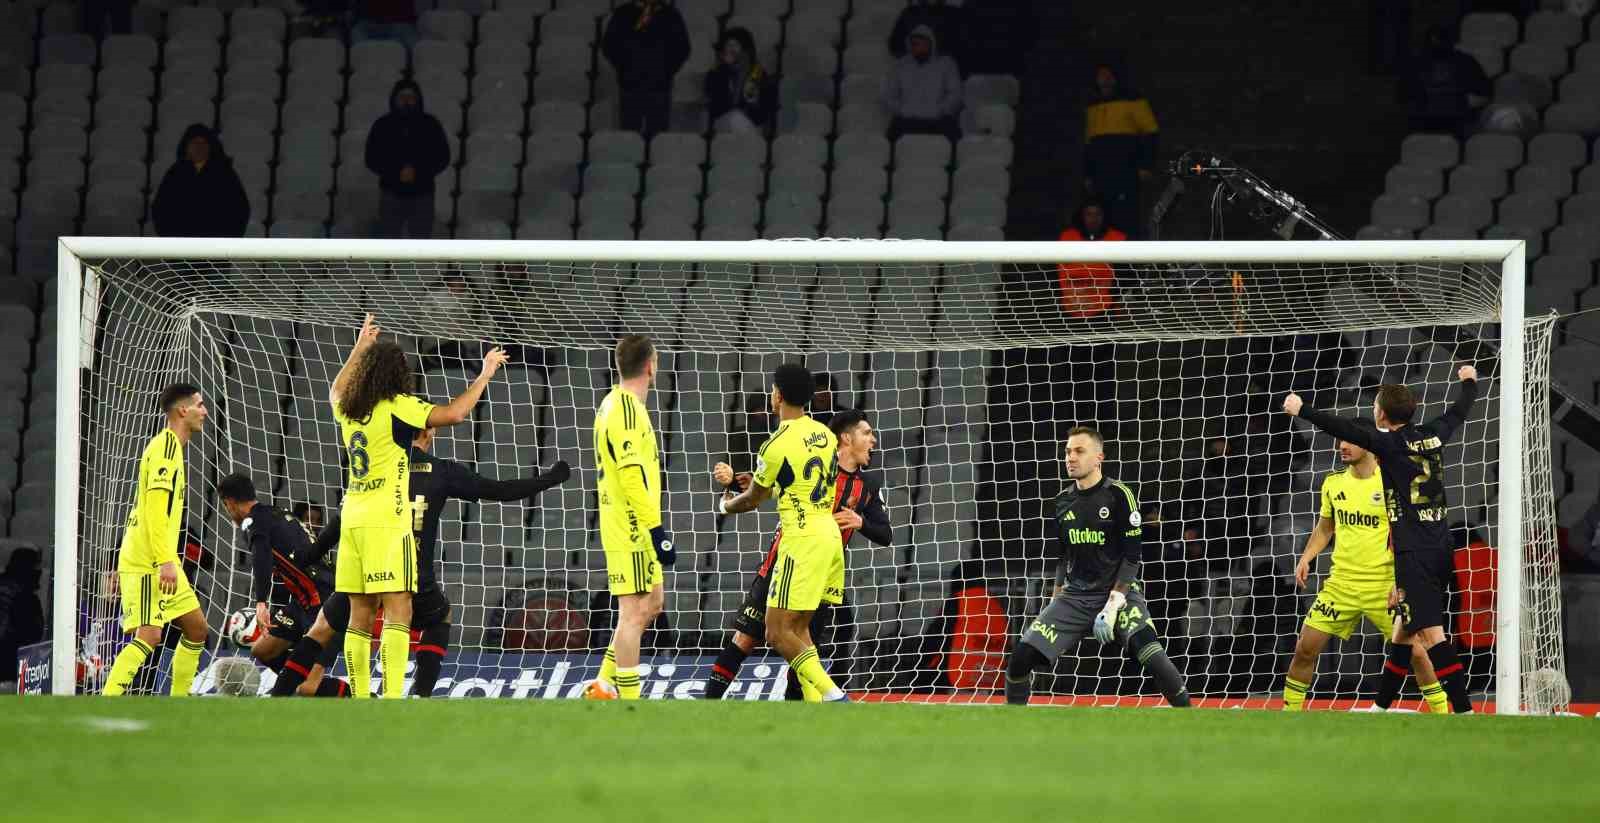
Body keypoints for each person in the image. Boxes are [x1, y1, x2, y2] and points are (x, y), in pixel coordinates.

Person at [272, 428, 571, 697]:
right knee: (440, 618)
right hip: (412, 574)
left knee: (323, 627)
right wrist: (551, 478)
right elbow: (500, 491)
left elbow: (343, 520)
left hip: (368, 569)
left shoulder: (376, 469)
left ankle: (280, 693)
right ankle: (420, 693)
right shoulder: (441, 471)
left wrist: (307, 555)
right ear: (427, 433)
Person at [328, 313, 508, 699]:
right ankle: (392, 698)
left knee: (359, 613)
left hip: (353, 515)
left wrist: (360, 347)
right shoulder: (398, 405)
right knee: (399, 607)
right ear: (398, 376)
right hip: (386, 519)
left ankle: (361, 698)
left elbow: (335, 388)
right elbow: (455, 414)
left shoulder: (347, 407)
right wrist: (484, 375)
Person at [1283, 365, 1481, 714]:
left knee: (1430, 639)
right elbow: (1457, 412)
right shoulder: (1432, 435)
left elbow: (1340, 425)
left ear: (1381, 416)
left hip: (1408, 558)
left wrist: (1303, 410)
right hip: (1425, 547)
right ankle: (1380, 707)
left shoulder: (1388, 446)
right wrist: (1468, 382)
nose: (1343, 444)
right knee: (1402, 636)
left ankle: (1460, 711)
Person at [703, 408, 894, 700]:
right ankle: (708, 702)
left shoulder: (867, 486)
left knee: (801, 651)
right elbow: (764, 486)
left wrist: (861, 521)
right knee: (746, 638)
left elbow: (885, 534)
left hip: (819, 572)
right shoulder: (812, 464)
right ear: (845, 438)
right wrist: (732, 482)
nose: (874, 440)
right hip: (782, 561)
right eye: (867, 433)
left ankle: (804, 714)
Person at [1004, 426, 1190, 707]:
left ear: (1098, 457)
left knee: (1152, 655)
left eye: (1079, 451)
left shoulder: (1119, 495)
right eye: (1068, 452)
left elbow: (1132, 556)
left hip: (1119, 594)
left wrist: (1114, 604)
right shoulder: (1062, 502)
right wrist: (1055, 597)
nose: (1071, 458)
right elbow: (1063, 555)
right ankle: (1011, 723)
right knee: (1019, 660)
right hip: (1075, 598)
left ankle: (1189, 715)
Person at [1280, 423, 1447, 713]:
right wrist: (1307, 557)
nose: (1341, 446)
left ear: (1367, 444)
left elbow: (1410, 534)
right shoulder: (1333, 484)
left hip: (1384, 586)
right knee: (1304, 648)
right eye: (1340, 441)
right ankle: (1289, 714)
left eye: (1349, 441)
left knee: (1418, 653)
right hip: (1341, 585)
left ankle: (1445, 714)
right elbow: (1325, 527)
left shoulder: (1392, 481)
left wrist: (1404, 580)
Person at [715, 363, 850, 702]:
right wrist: (772, 486)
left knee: (776, 632)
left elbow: (751, 501)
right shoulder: (826, 436)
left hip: (801, 540)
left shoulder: (775, 444)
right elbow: (805, 485)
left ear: (777, 396)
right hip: (828, 535)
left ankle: (835, 696)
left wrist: (726, 505)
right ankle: (818, 704)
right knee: (800, 630)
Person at [102, 384, 213, 696]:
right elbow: (153, 511)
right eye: (200, 405)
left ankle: (178, 703)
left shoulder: (173, 449)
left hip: (161, 558)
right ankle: (107, 699)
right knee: (149, 635)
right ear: (183, 410)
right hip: (149, 560)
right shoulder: (164, 449)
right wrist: (165, 560)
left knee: (196, 629)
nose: (204, 412)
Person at [582, 334, 674, 700]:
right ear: (651, 366)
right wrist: (655, 530)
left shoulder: (614, 404)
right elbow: (632, 475)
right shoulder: (626, 411)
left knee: (651, 605)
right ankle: (630, 704)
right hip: (632, 525)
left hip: (631, 520)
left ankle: (604, 684)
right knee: (634, 613)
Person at [217, 474, 350, 697]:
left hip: (325, 601)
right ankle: (296, 677)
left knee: (308, 689)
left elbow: (261, 557)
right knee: (262, 649)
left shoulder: (254, 522)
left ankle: (359, 696)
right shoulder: (278, 514)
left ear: (229, 503)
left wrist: (261, 601)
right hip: (303, 602)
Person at [365, 79, 451, 240]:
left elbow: (442, 157)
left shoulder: (431, 125)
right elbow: (371, 158)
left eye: (411, 96)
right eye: (402, 96)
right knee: (388, 245)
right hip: (390, 193)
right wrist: (396, 172)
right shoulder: (382, 125)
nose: (406, 100)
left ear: (418, 99)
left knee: (420, 245)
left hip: (422, 194)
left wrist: (417, 172)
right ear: (394, 99)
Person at [1083, 65, 1158, 239]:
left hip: (1126, 170)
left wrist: (1146, 166)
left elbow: (1151, 133)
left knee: (1126, 217)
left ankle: (1127, 262)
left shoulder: (1133, 100)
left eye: (1108, 75)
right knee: (1102, 216)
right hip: (1100, 172)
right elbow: (1088, 143)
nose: (1105, 79)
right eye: (1101, 75)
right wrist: (1087, 173)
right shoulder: (1092, 104)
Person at [601, 0, 691, 138]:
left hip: (660, 86)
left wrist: (667, 71)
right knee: (629, 135)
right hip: (630, 85)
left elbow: (683, 48)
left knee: (658, 136)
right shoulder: (623, 13)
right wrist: (624, 68)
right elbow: (609, 45)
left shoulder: (671, 14)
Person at [151, 124, 250, 238]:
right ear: (186, 147)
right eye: (194, 143)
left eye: (203, 143)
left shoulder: (224, 173)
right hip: (180, 242)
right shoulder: (175, 172)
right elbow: (161, 208)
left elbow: (239, 209)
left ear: (211, 147)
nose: (199, 147)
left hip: (215, 243)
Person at [882, 24, 963, 143]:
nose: (917, 47)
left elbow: (956, 93)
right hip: (907, 119)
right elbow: (888, 95)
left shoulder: (946, 64)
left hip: (938, 118)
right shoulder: (900, 65)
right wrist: (902, 110)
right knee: (891, 136)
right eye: (914, 44)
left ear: (931, 44)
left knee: (954, 134)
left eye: (921, 43)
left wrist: (941, 110)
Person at [1406, 25, 1489, 137]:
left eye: (1440, 40)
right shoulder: (1415, 64)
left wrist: (1462, 102)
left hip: (1459, 120)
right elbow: (1405, 95)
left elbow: (1483, 93)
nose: (1437, 44)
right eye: (1433, 41)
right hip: (1423, 120)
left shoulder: (1466, 62)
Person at [1056, 198, 1125, 319]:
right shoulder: (1066, 237)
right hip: (1070, 309)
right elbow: (1054, 275)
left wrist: (1116, 302)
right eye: (1089, 214)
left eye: (1098, 214)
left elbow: (1125, 277)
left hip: (1105, 310)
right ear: (1082, 216)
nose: (1093, 218)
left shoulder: (1117, 238)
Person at [704, 27, 777, 134]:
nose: (729, 50)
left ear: (745, 49)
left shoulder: (758, 73)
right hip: (723, 122)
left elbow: (763, 110)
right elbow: (714, 105)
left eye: (734, 45)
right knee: (733, 118)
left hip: (751, 124)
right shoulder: (716, 73)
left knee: (737, 119)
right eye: (727, 45)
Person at [0, 547, 44, 691]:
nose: (40, 573)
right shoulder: (27, 599)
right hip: (11, 675)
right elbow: (35, 636)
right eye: (36, 568)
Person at [351, 0, 419, 53]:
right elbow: (358, 11)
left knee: (416, 44)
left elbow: (409, 15)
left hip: (398, 26)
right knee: (356, 32)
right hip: (368, 26)